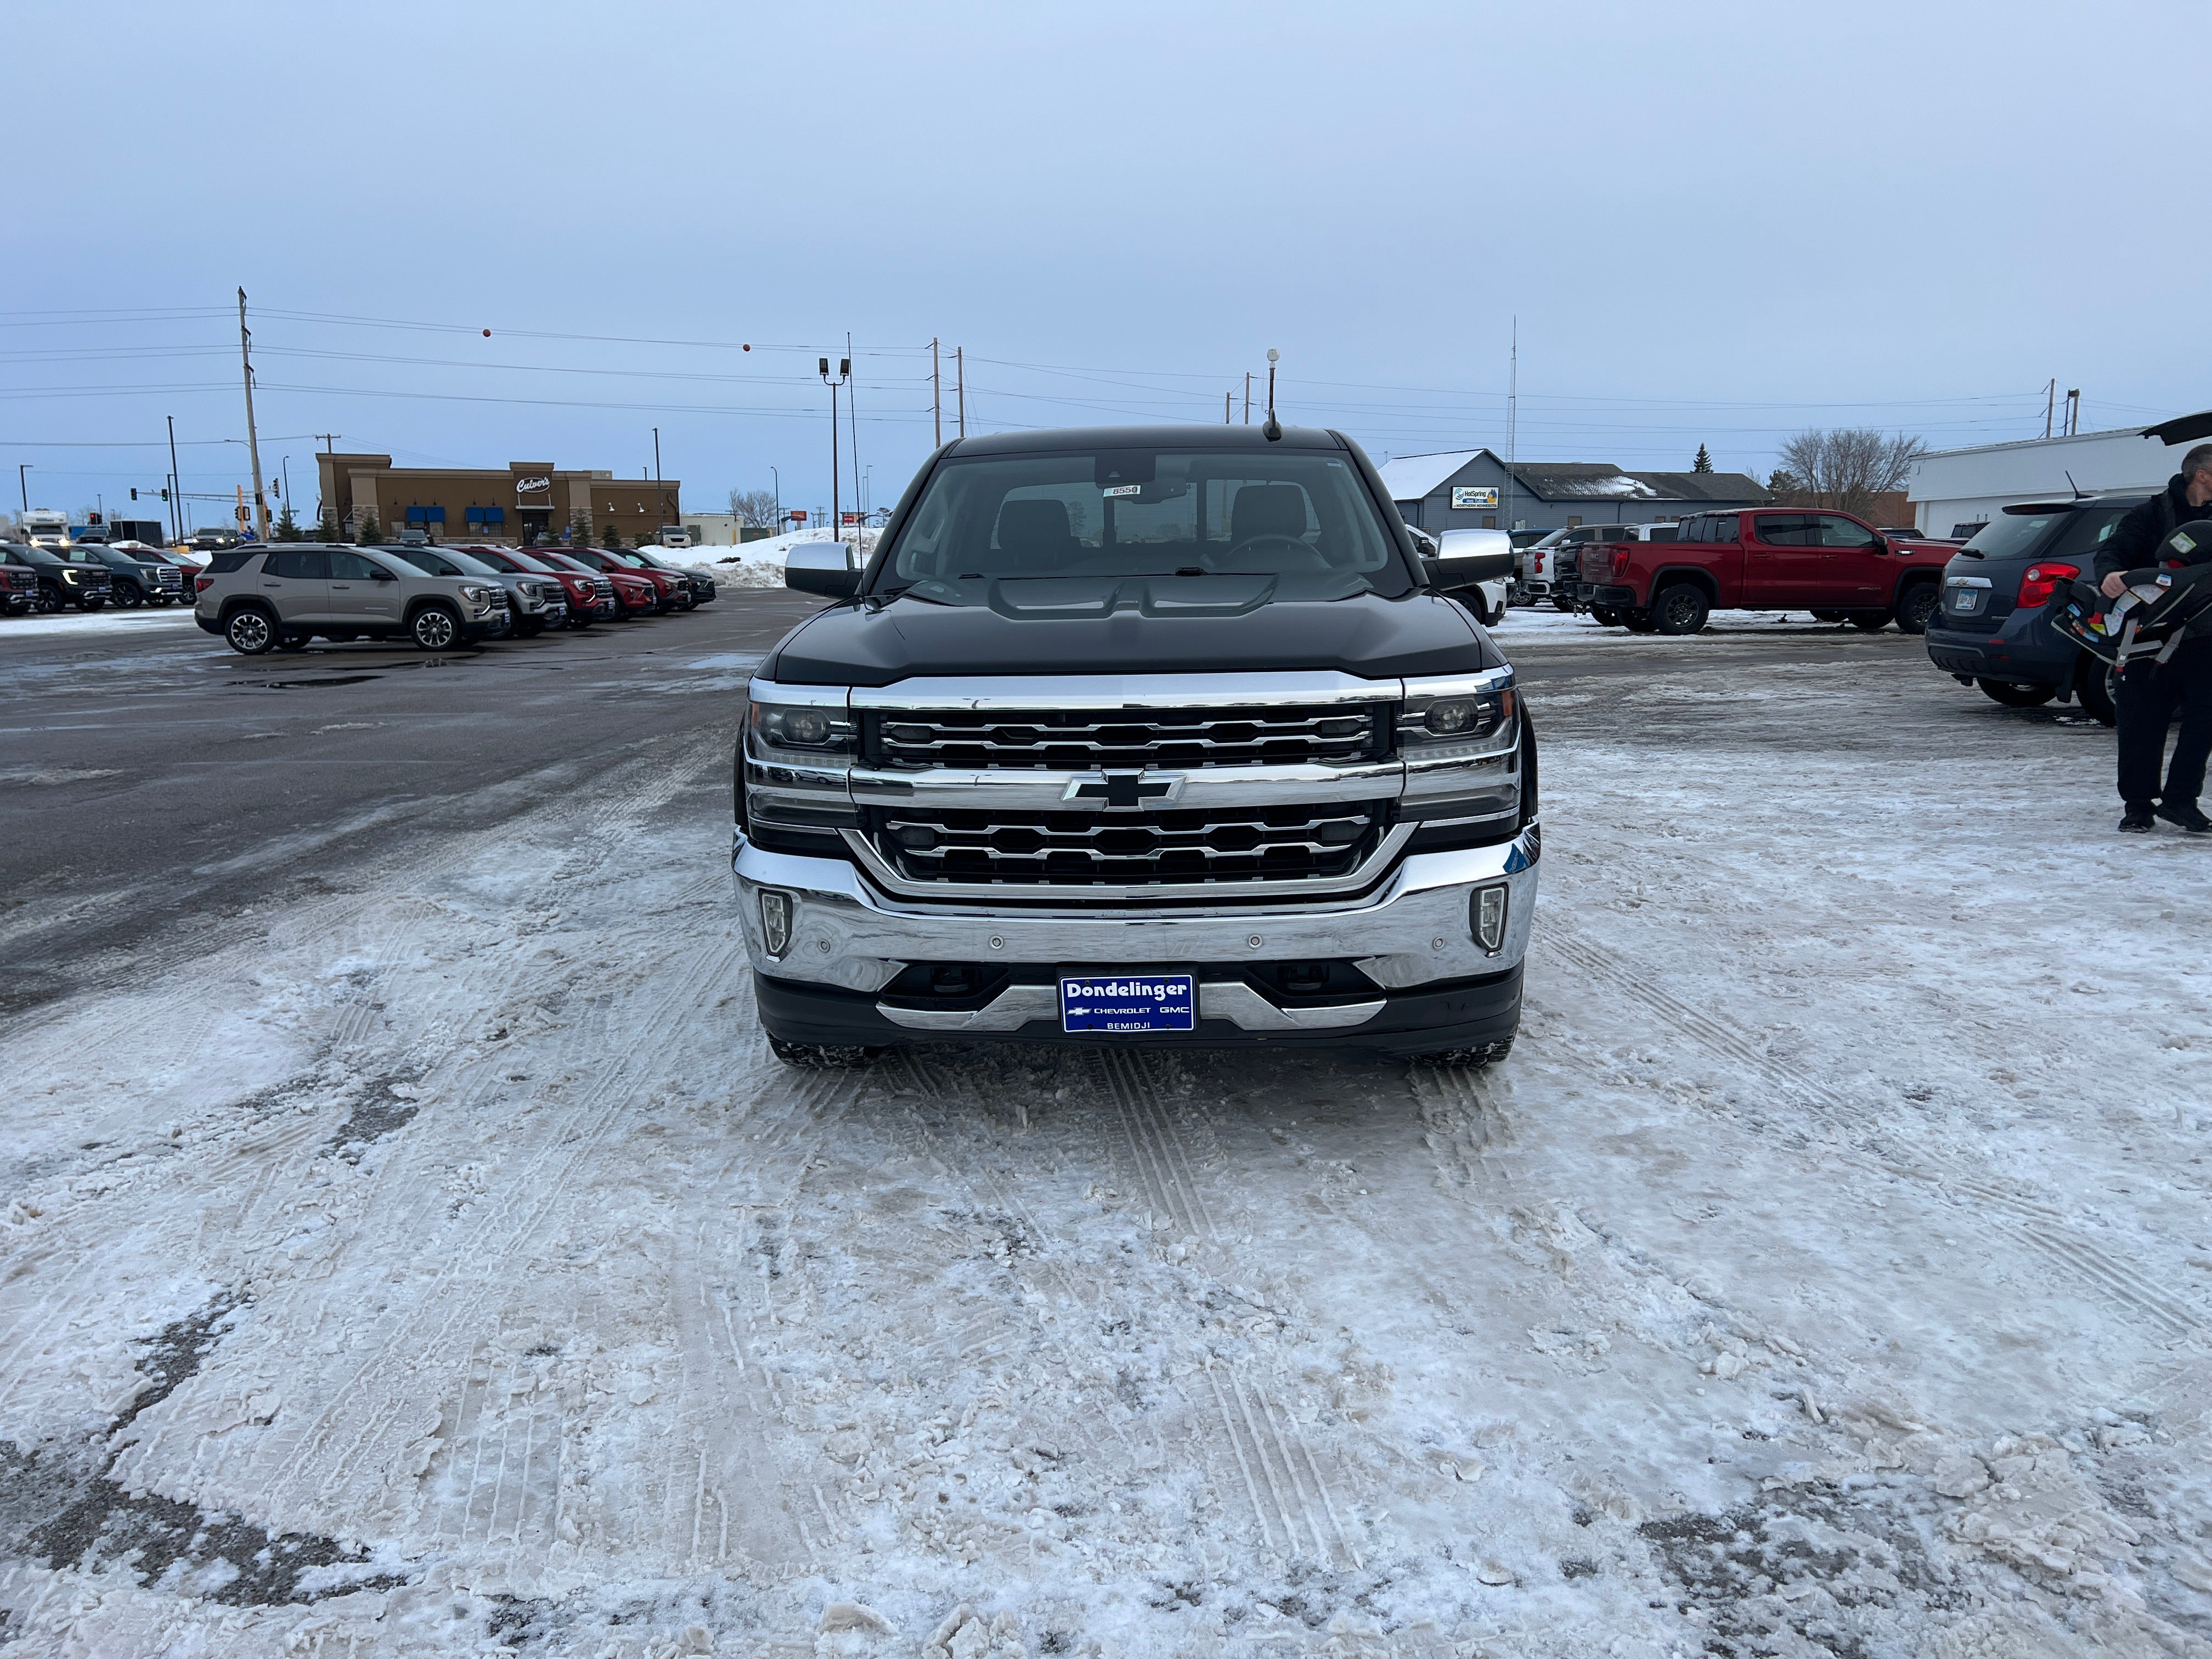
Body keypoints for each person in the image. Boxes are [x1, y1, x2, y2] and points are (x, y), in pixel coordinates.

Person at [2097, 444, 2212, 833]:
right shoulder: (2152, 513)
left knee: (2204, 722)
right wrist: (2112, 575)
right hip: (2149, 636)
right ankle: (2139, 805)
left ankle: (2181, 801)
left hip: (2205, 640)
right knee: (2141, 722)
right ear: (2203, 475)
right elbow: (2112, 552)